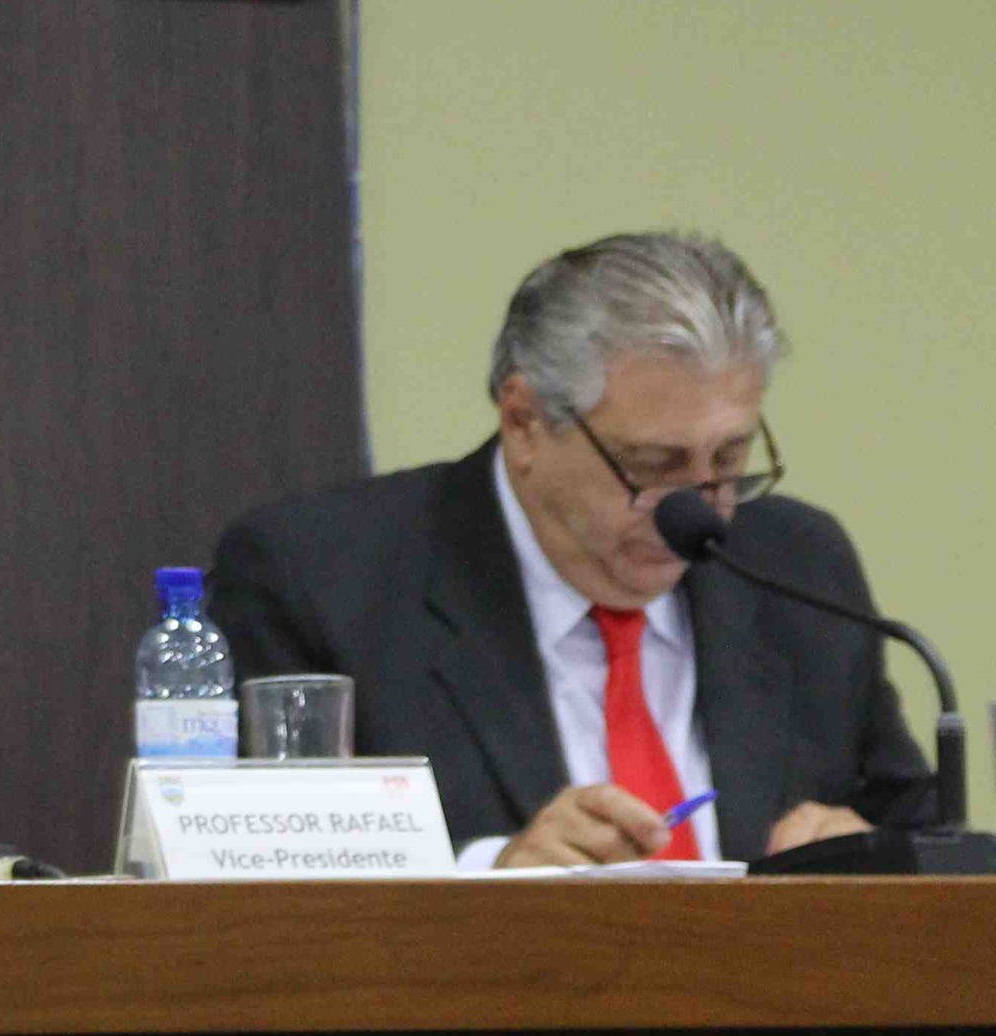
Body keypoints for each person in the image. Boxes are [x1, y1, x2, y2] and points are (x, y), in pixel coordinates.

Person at [208, 231, 929, 866]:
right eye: (653, 466)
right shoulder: (319, 581)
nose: (698, 511)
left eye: (729, 459)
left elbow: (925, 841)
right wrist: (489, 877)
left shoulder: (799, 567)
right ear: (524, 422)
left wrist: (868, 855)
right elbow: (265, 880)